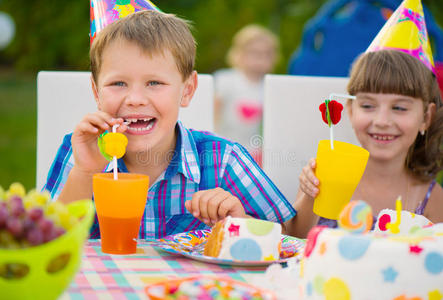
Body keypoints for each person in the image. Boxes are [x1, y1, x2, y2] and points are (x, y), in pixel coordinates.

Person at [43, 10, 296, 239]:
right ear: (97, 92)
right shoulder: (80, 152)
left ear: (187, 90)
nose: (135, 99)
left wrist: (240, 224)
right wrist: (85, 173)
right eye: (118, 83)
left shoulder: (223, 160)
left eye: (154, 83)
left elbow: (287, 234)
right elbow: (44, 242)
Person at [286, 50, 443, 238]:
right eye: (368, 106)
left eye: (399, 108)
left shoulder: (431, 198)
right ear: (351, 111)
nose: (382, 121)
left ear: (426, 117)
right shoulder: (328, 173)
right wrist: (311, 195)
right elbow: (293, 240)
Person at [214, 24, 279, 166]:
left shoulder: (271, 87)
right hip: (225, 152)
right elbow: (213, 116)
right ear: (239, 53)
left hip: (257, 157)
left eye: (266, 54)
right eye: (254, 53)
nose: (260, 59)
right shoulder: (225, 80)